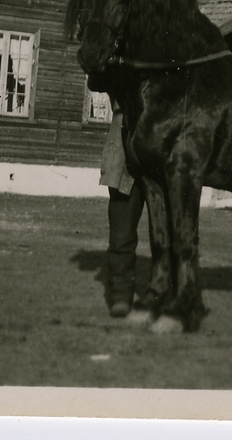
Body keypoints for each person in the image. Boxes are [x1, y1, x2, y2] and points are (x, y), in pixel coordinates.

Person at [100, 105, 145, 318]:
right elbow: (96, 79)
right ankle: (120, 295)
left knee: (166, 231)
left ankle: (165, 292)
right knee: (121, 229)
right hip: (124, 143)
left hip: (163, 142)